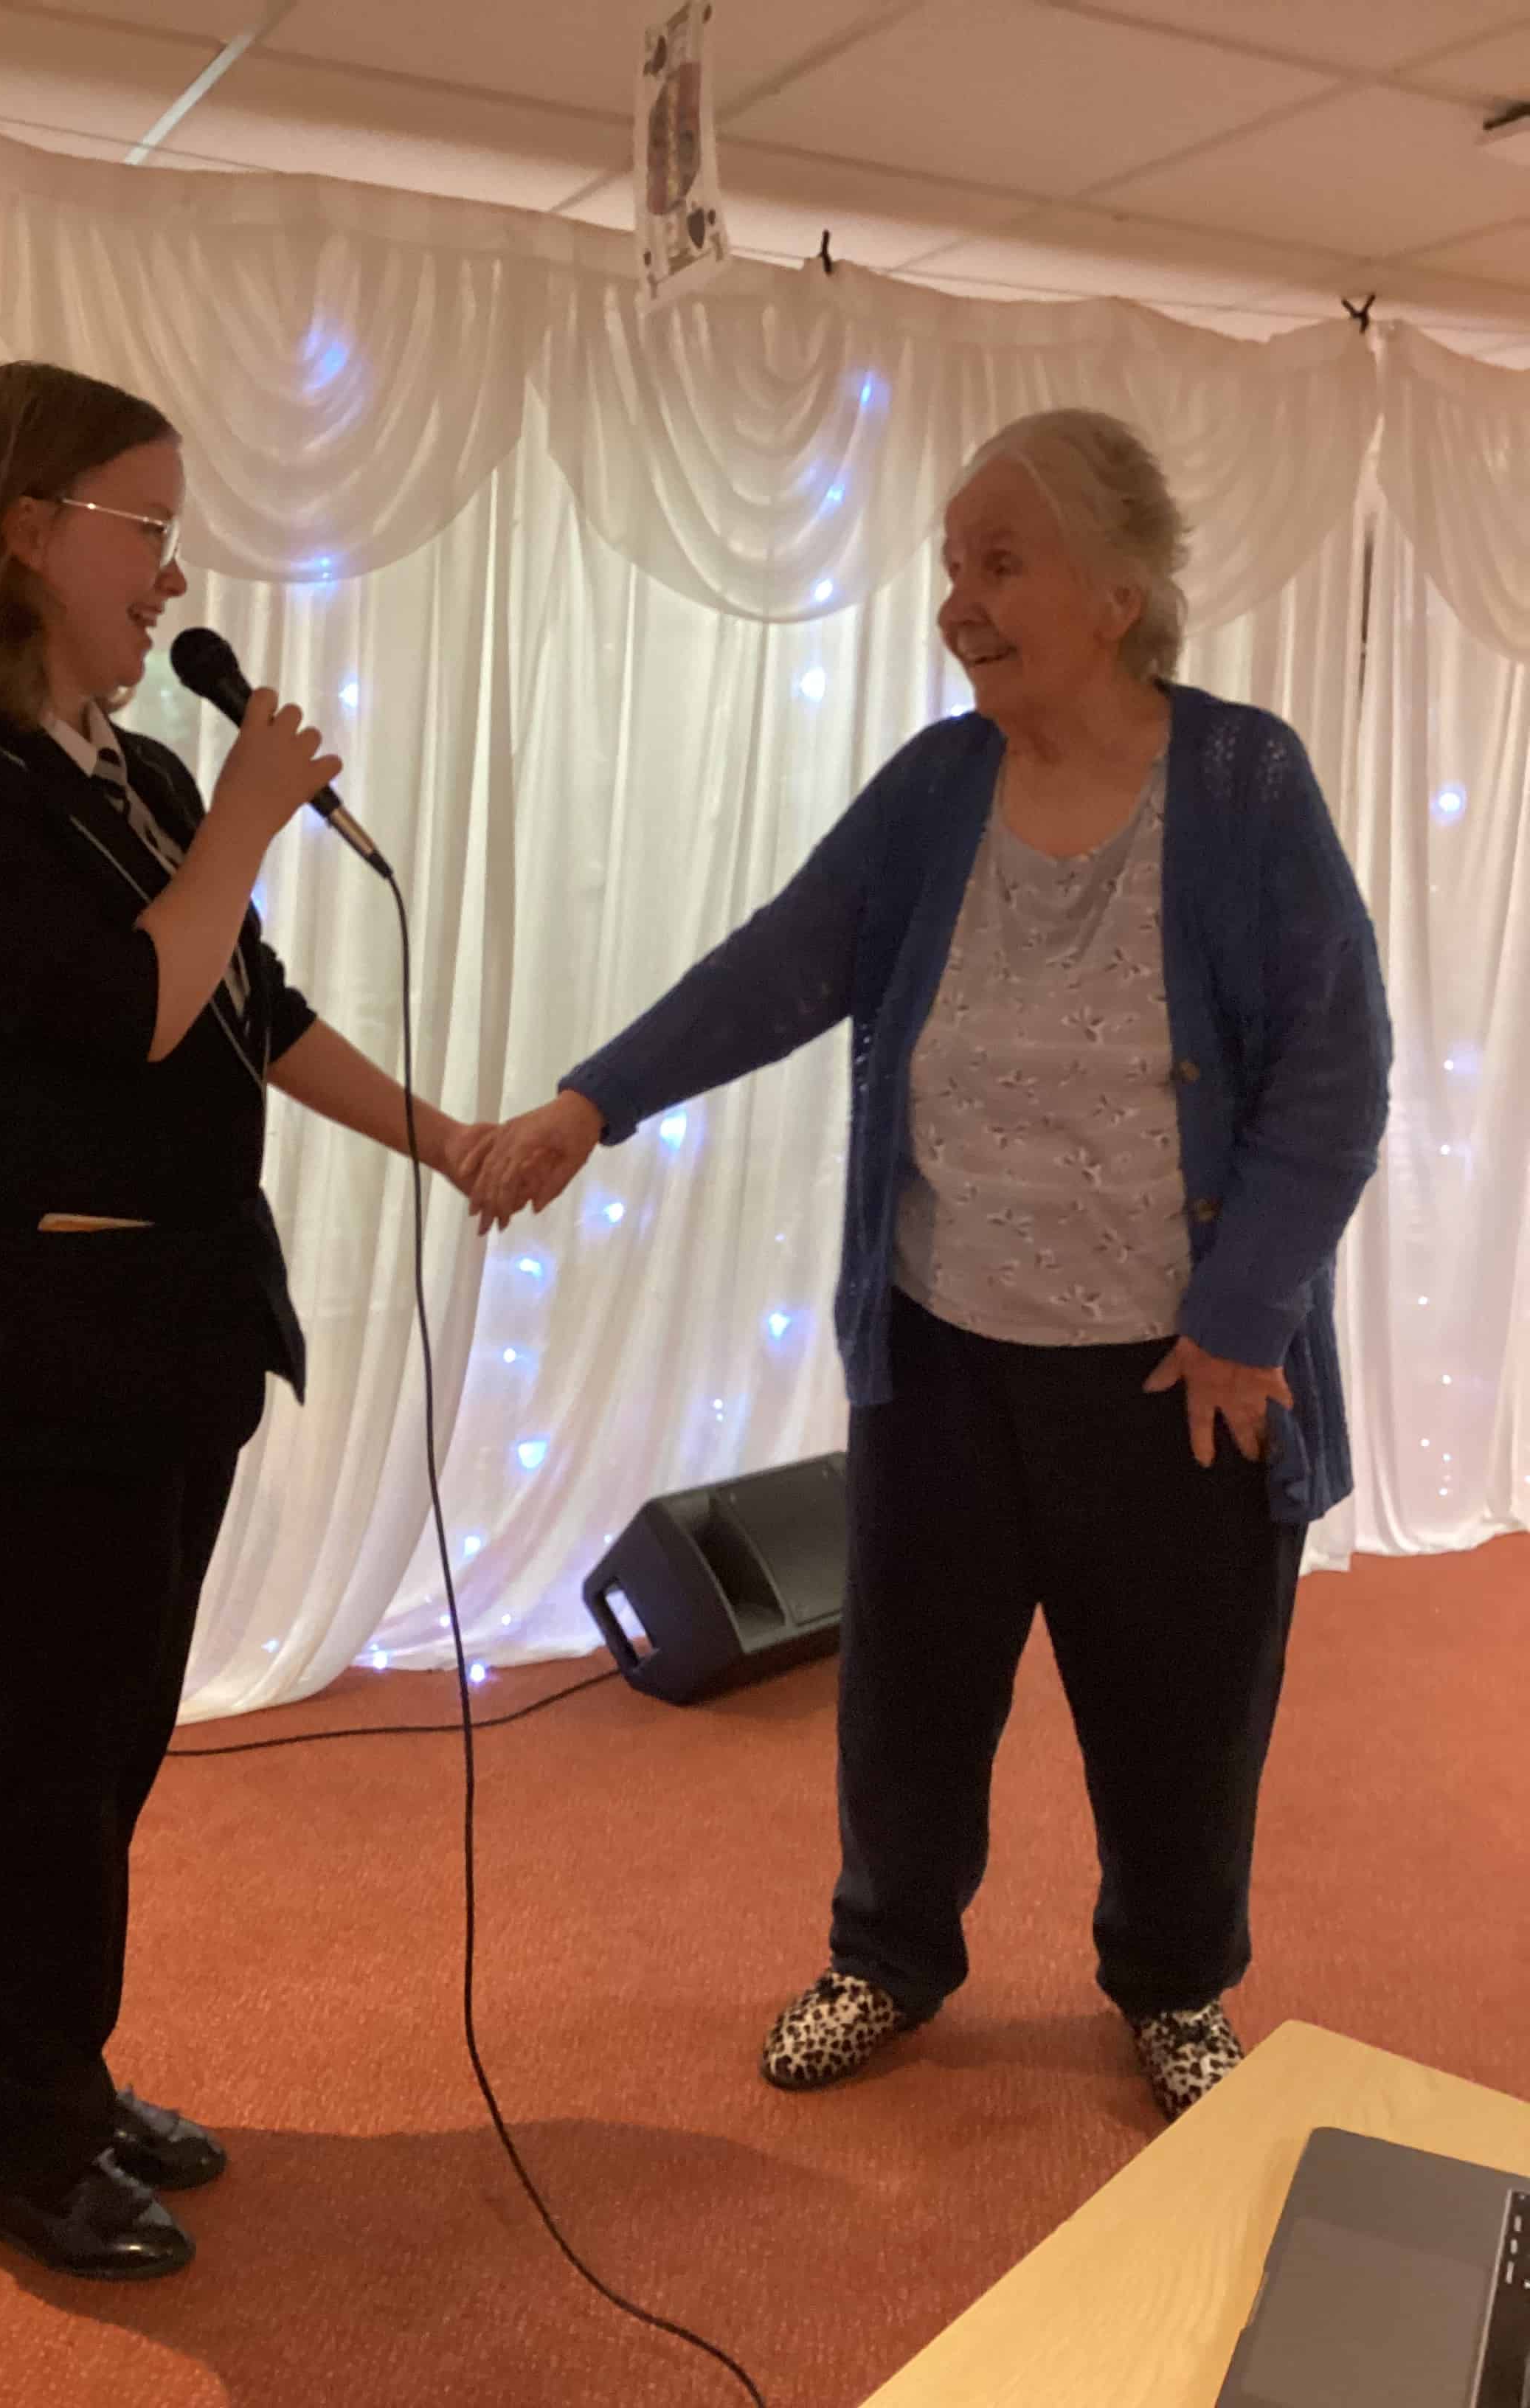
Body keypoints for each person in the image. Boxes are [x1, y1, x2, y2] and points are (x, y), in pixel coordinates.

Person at [464, 409, 1392, 2124]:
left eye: (1000, 563)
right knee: (911, 1693)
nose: (957, 601)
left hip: (1177, 1372)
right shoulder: (936, 788)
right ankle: (886, 1957)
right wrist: (596, 1099)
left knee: (1181, 1711)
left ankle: (1176, 1985)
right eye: (951, 566)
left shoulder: (1245, 783)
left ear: (1119, 594)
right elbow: (782, 963)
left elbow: (1336, 1074)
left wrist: (1247, 1317)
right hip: (945, 1350)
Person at [0, 361, 489, 2279]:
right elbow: (125, 1002)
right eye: (144, 528)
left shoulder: (153, 778)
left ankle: (68, 2078)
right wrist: (251, 829)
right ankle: (10, 2156)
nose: (173, 576)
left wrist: (443, 1136)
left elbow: (241, 1012)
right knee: (52, 1756)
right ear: (22, 529)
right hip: (44, 1357)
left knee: (112, 1749)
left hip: (185, 1332)